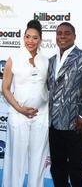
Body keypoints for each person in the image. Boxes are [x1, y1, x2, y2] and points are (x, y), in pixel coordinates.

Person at [47, 22, 82, 187]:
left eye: (67, 33)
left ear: (74, 36)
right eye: (59, 33)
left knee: (77, 169)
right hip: (54, 125)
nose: (62, 36)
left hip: (75, 124)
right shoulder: (50, 61)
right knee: (57, 168)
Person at [2, 19, 49, 187]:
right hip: (18, 115)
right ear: (23, 37)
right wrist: (20, 109)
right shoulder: (13, 59)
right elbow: (5, 88)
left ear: (41, 40)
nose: (30, 41)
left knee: (38, 160)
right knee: (17, 159)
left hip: (41, 116)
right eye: (27, 37)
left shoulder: (46, 61)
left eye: (35, 38)